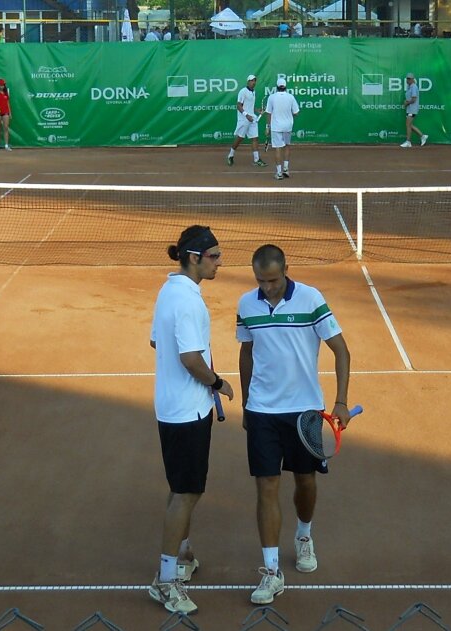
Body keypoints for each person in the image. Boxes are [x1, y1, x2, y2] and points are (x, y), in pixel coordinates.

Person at [236, 244, 351, 605]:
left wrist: (341, 401)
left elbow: (341, 350)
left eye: (273, 279)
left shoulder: (311, 298)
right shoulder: (246, 304)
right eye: (261, 280)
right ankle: (271, 571)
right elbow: (246, 351)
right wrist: (246, 404)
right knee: (266, 486)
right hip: (262, 411)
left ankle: (303, 535)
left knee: (305, 481)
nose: (268, 287)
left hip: (304, 411)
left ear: (286, 268)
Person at [147, 225, 233, 616]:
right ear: (194, 257)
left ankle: (182, 556)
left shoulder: (170, 291)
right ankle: (166, 581)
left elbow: (156, 342)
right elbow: (190, 359)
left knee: (182, 487)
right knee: (187, 492)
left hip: (176, 406)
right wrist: (218, 382)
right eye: (214, 256)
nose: (219, 262)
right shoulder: (188, 302)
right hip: (186, 411)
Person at [262, 76, 300, 180]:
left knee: (278, 148)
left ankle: (279, 173)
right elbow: (296, 113)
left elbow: (268, 113)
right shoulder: (291, 97)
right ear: (285, 87)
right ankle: (286, 169)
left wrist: (267, 127)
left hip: (276, 127)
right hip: (288, 126)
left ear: (277, 87)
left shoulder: (272, 97)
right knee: (287, 146)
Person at [227, 74, 265, 167]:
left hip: (252, 118)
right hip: (244, 119)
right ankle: (230, 155)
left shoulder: (253, 92)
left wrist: (257, 110)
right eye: (252, 80)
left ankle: (256, 159)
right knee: (240, 138)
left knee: (255, 138)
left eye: (255, 81)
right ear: (248, 81)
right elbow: (239, 105)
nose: (254, 82)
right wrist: (246, 115)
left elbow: (249, 106)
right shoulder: (243, 92)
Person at [400, 72, 427, 148]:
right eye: (407, 78)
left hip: (412, 109)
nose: (407, 80)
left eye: (409, 79)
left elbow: (414, 99)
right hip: (410, 109)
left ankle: (408, 142)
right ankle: (422, 136)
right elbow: (410, 98)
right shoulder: (410, 87)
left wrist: (406, 103)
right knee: (410, 125)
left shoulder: (414, 87)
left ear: (412, 79)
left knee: (408, 125)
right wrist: (406, 102)